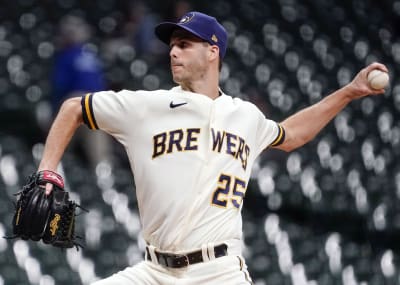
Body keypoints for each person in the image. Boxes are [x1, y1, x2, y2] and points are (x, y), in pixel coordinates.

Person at [37, 11, 388, 285]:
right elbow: (73, 109)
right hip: (154, 271)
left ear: (213, 51)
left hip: (219, 272)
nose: (173, 50)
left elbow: (292, 134)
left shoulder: (246, 116)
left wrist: (349, 92)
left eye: (184, 44)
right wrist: (48, 171)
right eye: (171, 44)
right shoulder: (146, 107)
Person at [50, 14, 113, 169]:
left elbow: (60, 85)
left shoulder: (66, 55)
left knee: (60, 151)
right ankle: (104, 180)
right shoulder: (92, 55)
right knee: (99, 155)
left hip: (75, 100)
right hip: (96, 103)